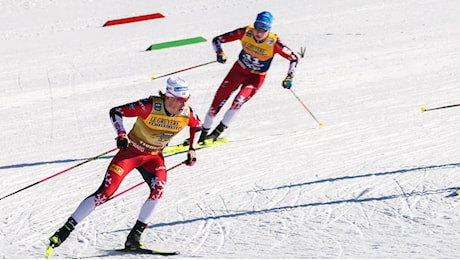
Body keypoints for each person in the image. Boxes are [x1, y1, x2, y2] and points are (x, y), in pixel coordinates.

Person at [47, 76, 202, 254]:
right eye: (181, 100)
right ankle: (64, 231)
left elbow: (197, 126)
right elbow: (116, 111)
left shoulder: (186, 113)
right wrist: (121, 134)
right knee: (105, 193)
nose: (184, 104)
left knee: (159, 189)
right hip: (130, 154)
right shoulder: (150, 106)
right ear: (169, 97)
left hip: (153, 158)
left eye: (187, 99)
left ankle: (134, 238)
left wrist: (192, 149)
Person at [199, 11, 299, 142]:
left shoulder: (274, 43)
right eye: (257, 28)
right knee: (218, 100)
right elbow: (217, 40)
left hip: (256, 78)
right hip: (238, 71)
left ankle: (218, 131)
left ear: (268, 30)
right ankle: (203, 132)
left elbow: (294, 58)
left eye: (263, 30)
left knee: (239, 101)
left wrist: (289, 77)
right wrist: (219, 52)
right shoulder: (246, 32)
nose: (258, 33)